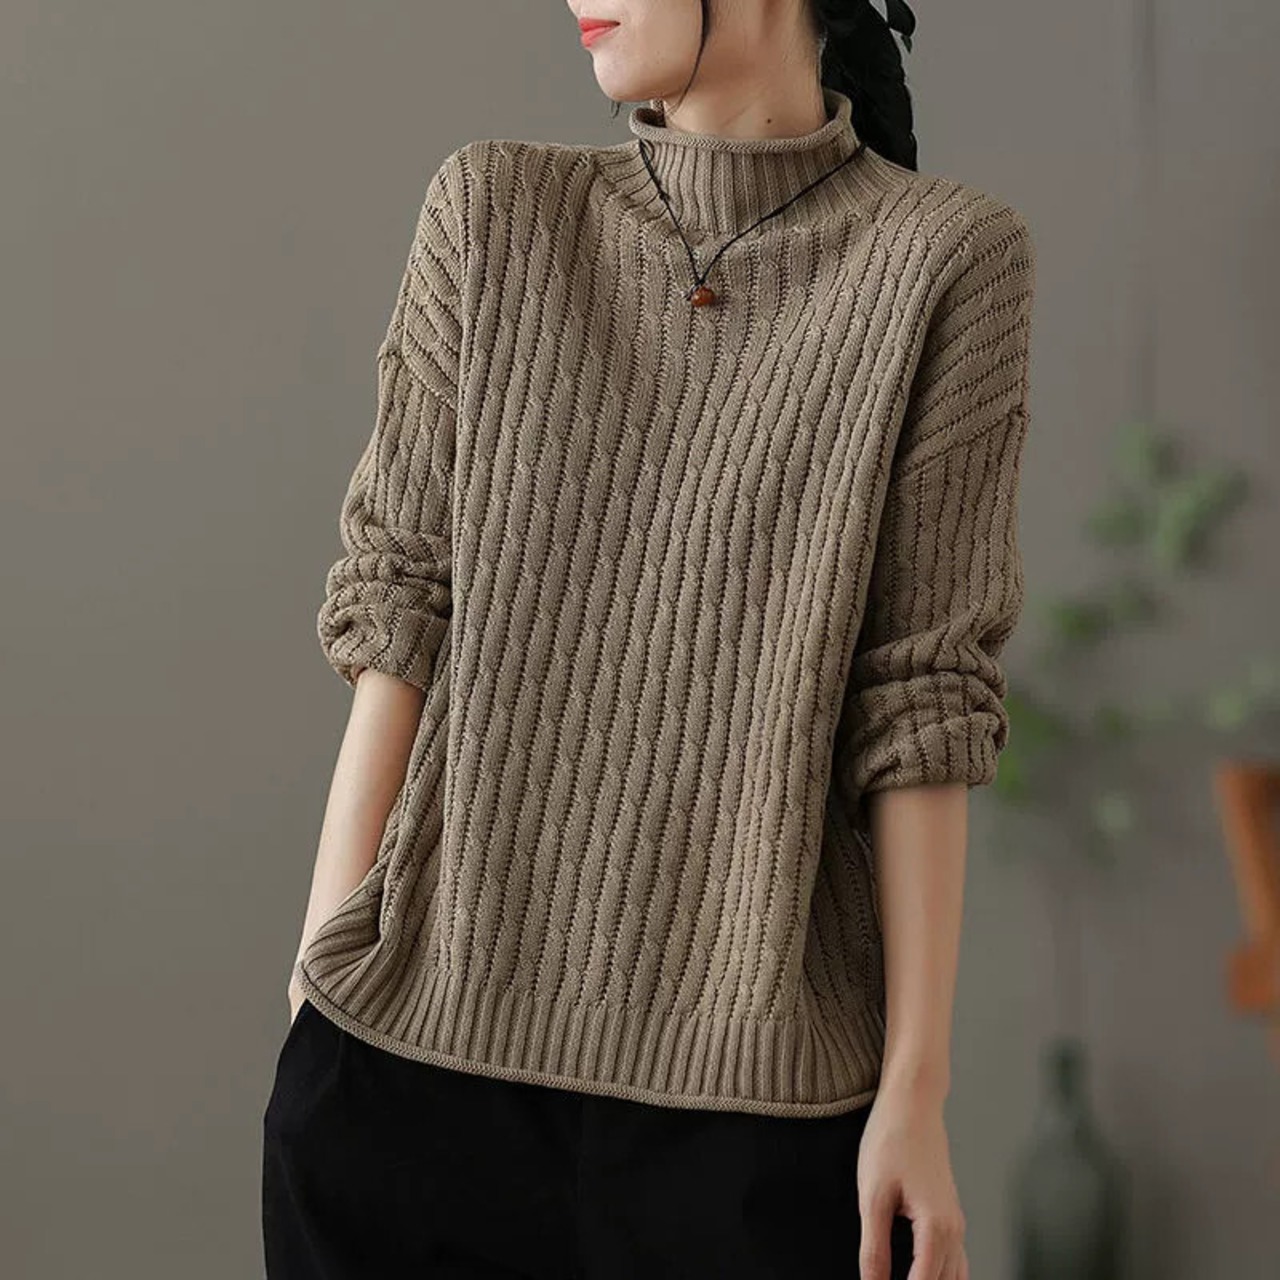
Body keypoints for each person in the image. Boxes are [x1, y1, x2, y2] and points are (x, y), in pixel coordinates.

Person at [261, 1, 1036, 1277]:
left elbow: (921, 697)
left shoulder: (944, 259)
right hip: (401, 1092)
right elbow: (399, 609)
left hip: (752, 1133)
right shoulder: (493, 209)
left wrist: (916, 1087)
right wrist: (315, 987)